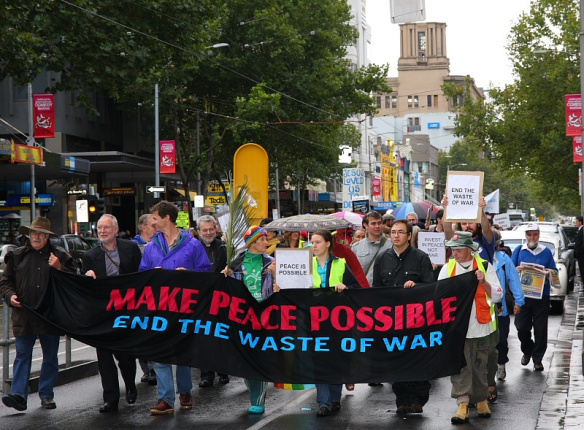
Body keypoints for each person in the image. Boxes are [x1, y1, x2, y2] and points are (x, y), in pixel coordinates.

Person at [139, 200, 211, 415]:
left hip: (185, 308)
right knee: (160, 353)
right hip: (159, 308)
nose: (151, 221)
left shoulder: (193, 245)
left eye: (154, 217)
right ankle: (165, 399)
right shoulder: (151, 247)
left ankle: (185, 391)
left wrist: (188, 275)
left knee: (183, 352)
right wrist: (153, 275)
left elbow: (206, 273)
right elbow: (142, 275)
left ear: (166, 218)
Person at [0, 217, 75, 412]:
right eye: (33, 233)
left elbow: (75, 279)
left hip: (50, 314)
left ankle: (47, 394)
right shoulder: (17, 255)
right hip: (24, 313)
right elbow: (5, 282)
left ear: (47, 237)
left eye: (41, 233)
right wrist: (10, 296)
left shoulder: (59, 255)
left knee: (50, 356)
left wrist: (59, 267)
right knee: (22, 354)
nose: (36, 236)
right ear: (28, 234)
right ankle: (18, 395)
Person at [437, 231, 503, 424]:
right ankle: (463, 403)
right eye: (452, 249)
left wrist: (484, 281)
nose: (454, 254)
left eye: (457, 250)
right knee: (460, 367)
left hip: (482, 327)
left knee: (481, 366)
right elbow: (438, 296)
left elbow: (498, 295)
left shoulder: (484, 266)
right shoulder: (447, 268)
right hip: (458, 329)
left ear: (469, 250)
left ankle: (482, 400)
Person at [372, 219, 435, 414]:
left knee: (417, 357)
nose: (396, 235)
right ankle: (402, 400)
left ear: (409, 236)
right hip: (392, 320)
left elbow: (431, 287)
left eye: (401, 232)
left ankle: (419, 399)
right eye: (393, 232)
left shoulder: (421, 257)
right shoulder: (382, 258)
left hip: (416, 319)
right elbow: (376, 290)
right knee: (397, 359)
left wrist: (416, 287)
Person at [83, 214, 142, 413]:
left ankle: (131, 385)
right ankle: (111, 399)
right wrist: (87, 277)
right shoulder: (90, 256)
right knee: (104, 357)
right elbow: (84, 287)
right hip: (103, 314)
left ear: (116, 230)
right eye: (99, 228)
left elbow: (141, 277)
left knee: (125, 355)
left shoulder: (130, 248)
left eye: (106, 227)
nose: (102, 231)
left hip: (126, 311)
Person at [305, 229, 360, 417]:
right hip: (314, 320)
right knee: (319, 359)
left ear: (328, 244)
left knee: (336, 358)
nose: (314, 246)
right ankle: (324, 402)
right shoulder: (306, 264)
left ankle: (335, 398)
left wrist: (346, 287)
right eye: (312, 242)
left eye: (318, 242)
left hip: (337, 321)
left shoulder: (340, 264)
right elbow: (293, 288)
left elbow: (356, 288)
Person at [225, 226, 276, 415]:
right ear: (252, 243)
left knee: (258, 357)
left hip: (264, 316)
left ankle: (258, 399)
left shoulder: (271, 262)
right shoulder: (236, 263)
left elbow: (281, 288)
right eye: (263, 240)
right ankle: (252, 386)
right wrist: (225, 276)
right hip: (241, 316)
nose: (266, 243)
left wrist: (275, 274)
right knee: (243, 357)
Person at [511, 223, 557, 372]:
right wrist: (516, 270)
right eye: (529, 235)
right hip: (523, 297)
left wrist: (547, 272)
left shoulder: (546, 252)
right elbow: (510, 273)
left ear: (538, 235)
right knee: (521, 327)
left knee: (540, 329)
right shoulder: (519, 251)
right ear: (525, 236)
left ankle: (538, 359)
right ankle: (527, 349)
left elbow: (555, 274)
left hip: (541, 296)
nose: (532, 237)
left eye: (535, 234)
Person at [196, 215, 229, 387]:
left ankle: (223, 371)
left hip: (221, 297)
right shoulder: (193, 247)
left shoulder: (224, 246)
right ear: (198, 231)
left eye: (211, 229)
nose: (208, 233)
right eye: (204, 230)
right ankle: (206, 375)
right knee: (203, 336)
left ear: (216, 228)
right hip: (200, 299)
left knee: (221, 335)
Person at [491, 238, 525, 386]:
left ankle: (501, 364)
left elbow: (513, 280)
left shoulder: (504, 260)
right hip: (481, 309)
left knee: (501, 340)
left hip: (500, 309)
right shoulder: (476, 257)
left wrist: (519, 301)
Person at [131, 213, 157, 385]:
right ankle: (147, 369)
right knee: (141, 332)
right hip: (139, 297)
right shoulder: (132, 246)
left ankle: (155, 367)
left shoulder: (161, 244)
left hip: (156, 296)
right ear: (144, 227)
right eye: (153, 225)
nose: (157, 228)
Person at [443, 195, 495, 263]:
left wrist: (480, 210)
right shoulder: (456, 241)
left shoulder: (485, 240)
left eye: (471, 222)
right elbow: (447, 230)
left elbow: (486, 229)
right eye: (464, 224)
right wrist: (447, 208)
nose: (467, 226)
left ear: (478, 223)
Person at [351, 211, 392, 287]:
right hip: (364, 291)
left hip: (385, 291)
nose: (377, 226)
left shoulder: (391, 245)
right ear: (365, 225)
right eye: (373, 223)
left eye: (379, 223)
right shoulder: (356, 247)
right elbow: (352, 272)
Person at [574, 216, 584, 283]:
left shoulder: (582, 230)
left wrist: (580, 251)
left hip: (582, 255)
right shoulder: (580, 230)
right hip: (580, 255)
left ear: (580, 222)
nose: (576, 223)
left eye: (577, 221)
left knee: (582, 270)